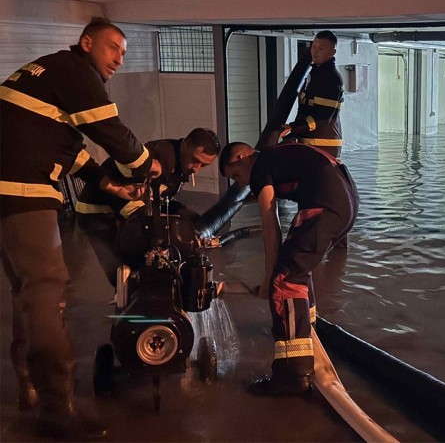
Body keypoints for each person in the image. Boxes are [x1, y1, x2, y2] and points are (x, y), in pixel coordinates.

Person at [0, 17, 157, 440]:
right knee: (48, 289)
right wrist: (146, 165)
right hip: (23, 189)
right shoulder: (76, 72)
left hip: (7, 189)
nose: (119, 59)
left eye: (123, 53)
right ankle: (57, 408)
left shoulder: (48, 72)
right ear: (87, 43)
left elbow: (67, 149)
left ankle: (29, 389)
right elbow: (111, 132)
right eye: (113, 48)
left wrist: (110, 185)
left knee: (26, 290)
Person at [219, 140, 358, 395]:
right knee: (298, 269)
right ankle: (308, 334)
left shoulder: (260, 169)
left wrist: (269, 279)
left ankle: (293, 373)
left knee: (284, 280)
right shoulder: (276, 157)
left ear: (243, 158)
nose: (241, 183)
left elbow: (270, 227)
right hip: (347, 203)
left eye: (236, 176)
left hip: (326, 205)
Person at [75, 127, 221, 284]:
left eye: (203, 165)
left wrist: (182, 211)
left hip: (125, 207)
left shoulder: (180, 163)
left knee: (143, 264)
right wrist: (154, 220)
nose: (196, 169)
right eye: (195, 160)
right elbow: (127, 194)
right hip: (97, 210)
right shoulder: (161, 157)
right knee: (122, 272)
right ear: (185, 145)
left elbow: (159, 198)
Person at [288, 30, 345, 157]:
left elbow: (322, 117)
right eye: (313, 46)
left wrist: (293, 127)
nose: (315, 51)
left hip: (323, 146)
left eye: (321, 48)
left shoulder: (331, 78)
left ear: (332, 52)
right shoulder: (315, 74)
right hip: (311, 144)